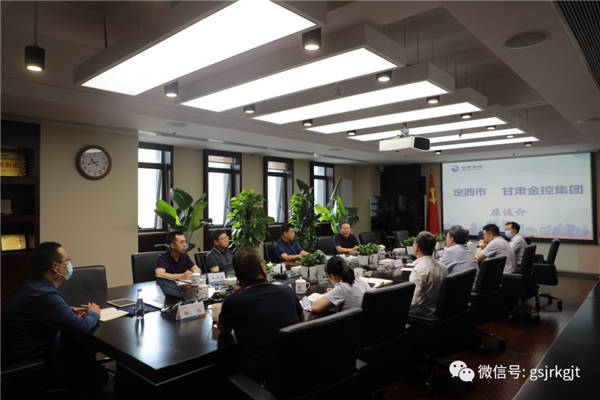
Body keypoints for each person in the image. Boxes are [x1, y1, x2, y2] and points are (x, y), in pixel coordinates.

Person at [3, 242, 106, 396]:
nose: (70, 264)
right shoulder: (46, 295)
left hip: (17, 352)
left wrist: (66, 311)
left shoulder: (34, 285)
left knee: (81, 351)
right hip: (31, 364)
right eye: (67, 260)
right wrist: (94, 313)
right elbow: (82, 327)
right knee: (97, 376)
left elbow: (42, 312)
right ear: (55, 267)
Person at [216, 248, 303, 382]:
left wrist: (233, 295)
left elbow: (224, 329)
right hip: (296, 370)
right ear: (263, 269)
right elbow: (301, 321)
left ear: (237, 277)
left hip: (261, 379)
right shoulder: (287, 291)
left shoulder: (234, 301)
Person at [409, 231, 448, 317]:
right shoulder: (443, 267)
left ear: (416, 247)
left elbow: (413, 303)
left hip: (422, 314)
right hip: (439, 312)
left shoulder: (418, 271)